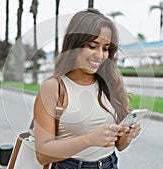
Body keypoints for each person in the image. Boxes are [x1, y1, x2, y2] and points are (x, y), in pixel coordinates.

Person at [33, 9, 141, 169]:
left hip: (109, 164)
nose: (100, 55)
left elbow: (119, 146)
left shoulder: (110, 83)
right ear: (74, 45)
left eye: (106, 49)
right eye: (92, 46)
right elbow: (42, 155)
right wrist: (89, 139)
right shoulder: (53, 88)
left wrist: (127, 136)